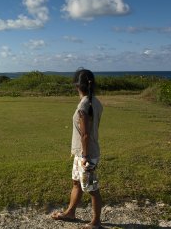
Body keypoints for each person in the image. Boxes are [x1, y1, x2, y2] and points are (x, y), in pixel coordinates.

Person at [51, 68, 103, 229]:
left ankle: (96, 222)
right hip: (82, 153)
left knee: (92, 188)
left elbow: (85, 135)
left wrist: (85, 157)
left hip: (86, 154)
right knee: (76, 183)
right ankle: (70, 212)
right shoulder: (95, 101)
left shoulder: (83, 106)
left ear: (76, 85)